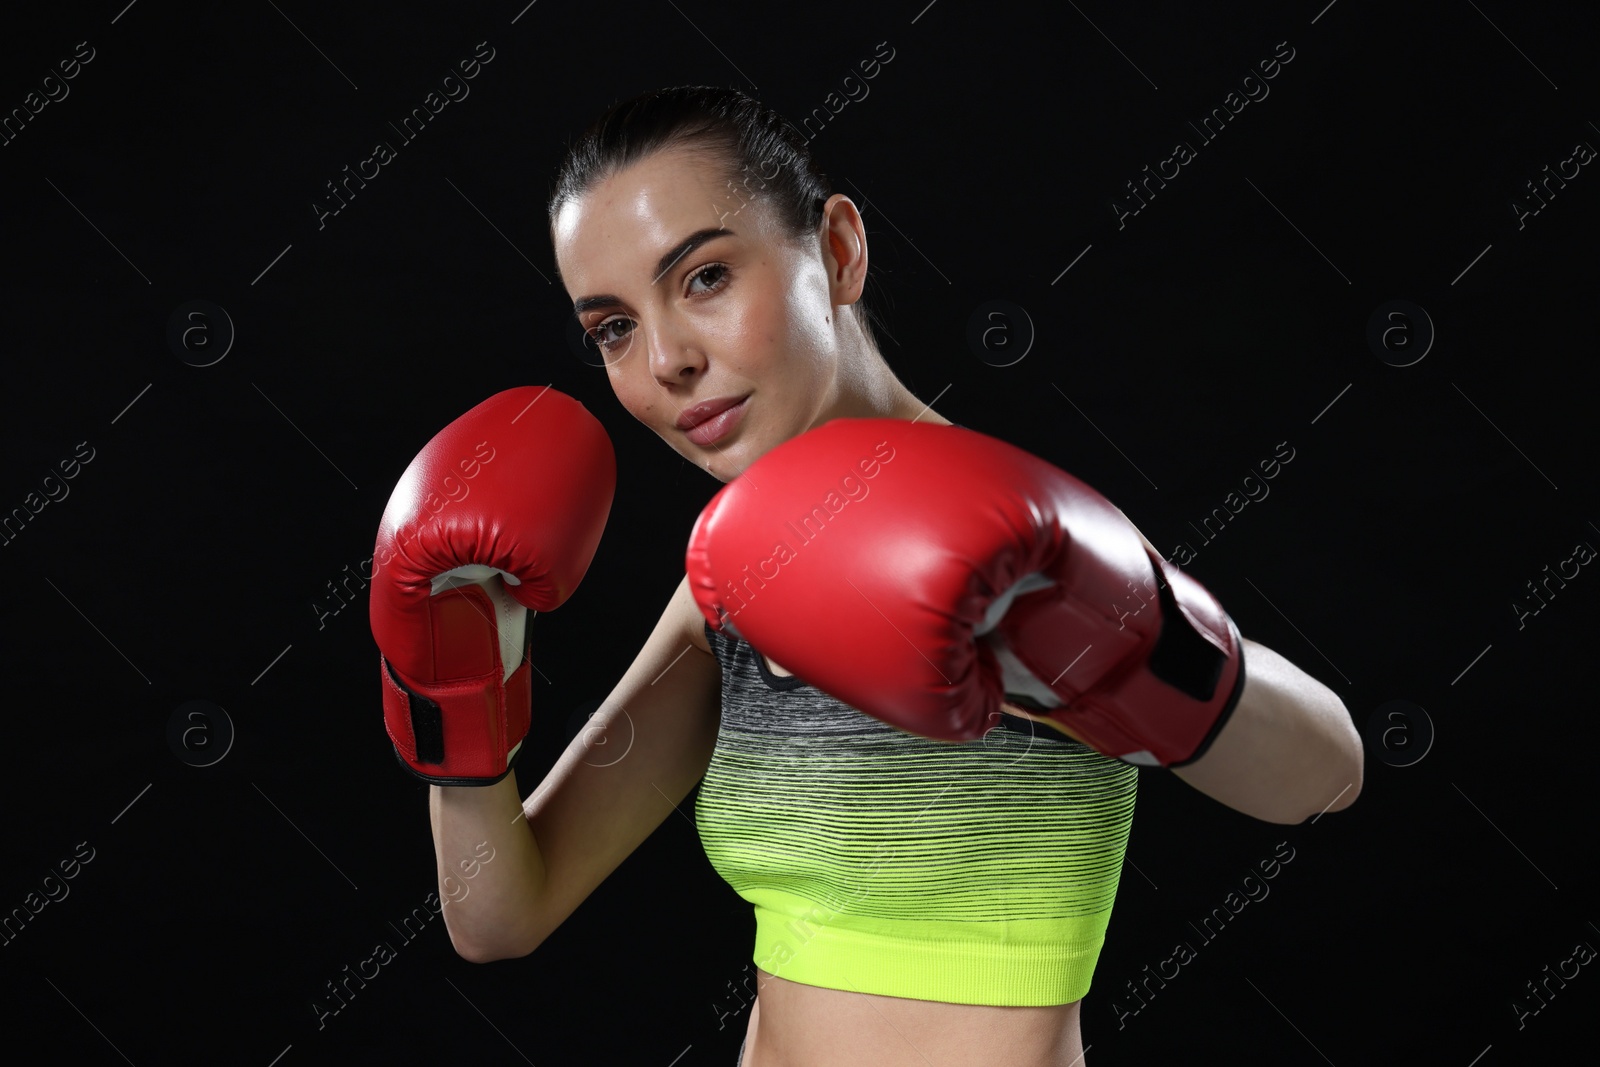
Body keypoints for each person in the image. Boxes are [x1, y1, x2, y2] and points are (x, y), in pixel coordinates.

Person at [378, 86, 1365, 1067]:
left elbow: (1327, 770)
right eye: (613, 328)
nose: (667, 359)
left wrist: (1109, 644)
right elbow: (500, 913)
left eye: (706, 276)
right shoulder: (729, 583)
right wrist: (454, 673)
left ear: (839, 251)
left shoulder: (1013, 546)